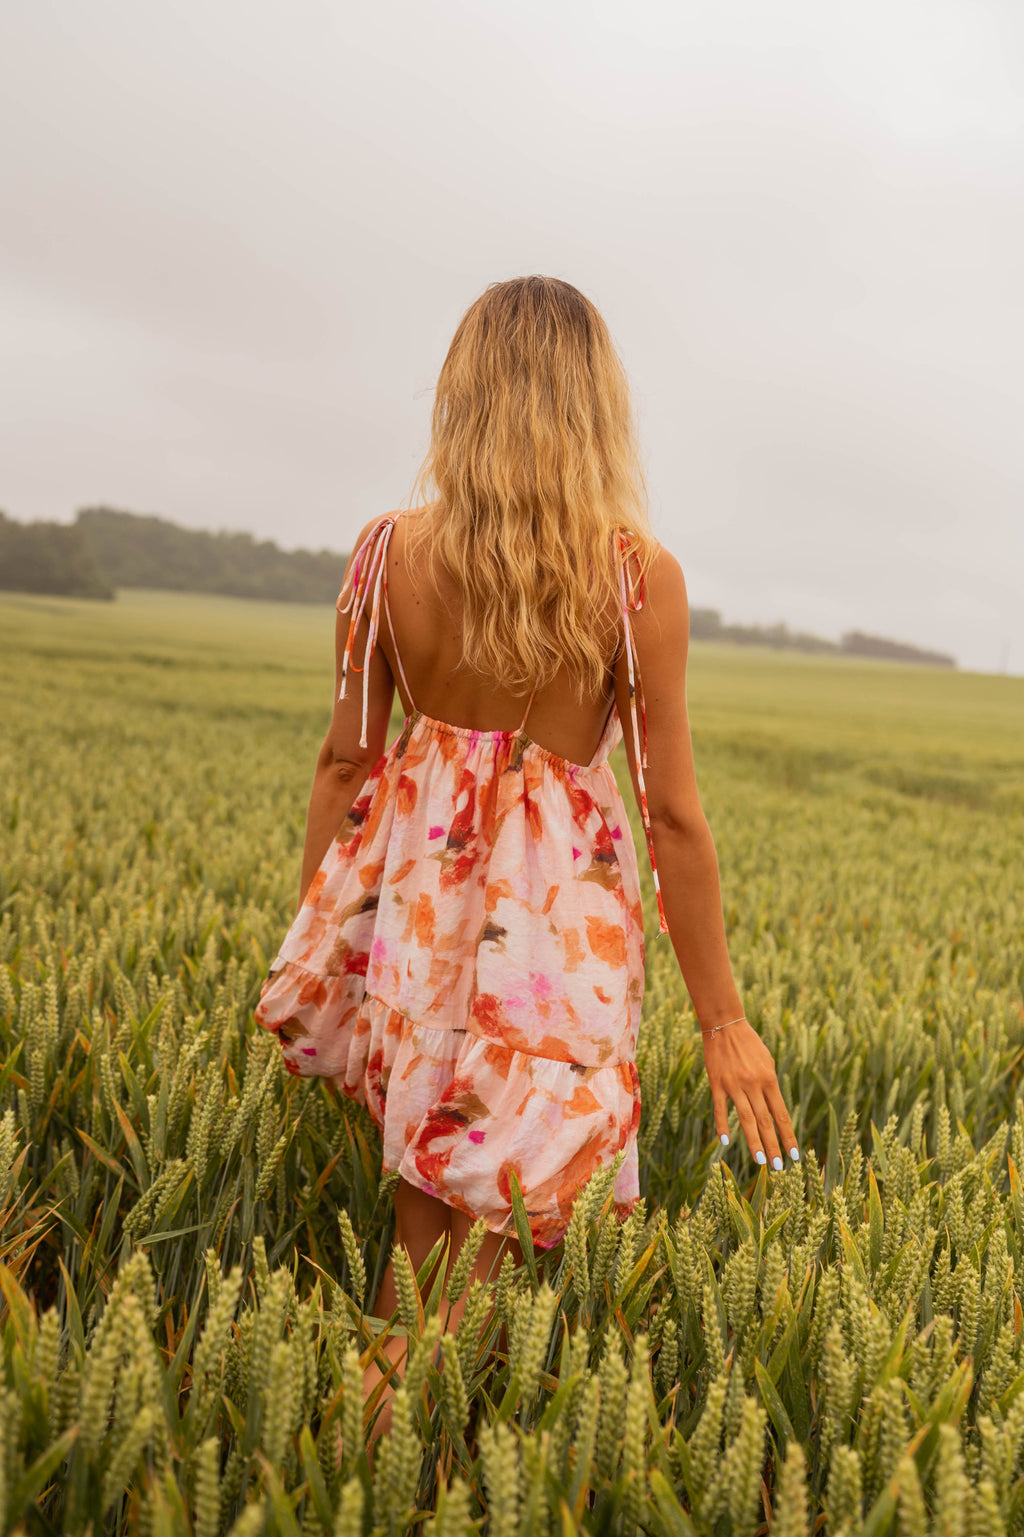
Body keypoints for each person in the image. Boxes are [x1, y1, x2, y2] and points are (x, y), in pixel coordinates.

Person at [254, 274, 797, 1454]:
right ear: (594, 406)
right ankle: (371, 1466)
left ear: (463, 395)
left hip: (410, 925)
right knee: (469, 1290)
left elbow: (346, 763)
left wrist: (318, 955)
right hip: (553, 949)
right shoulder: (634, 578)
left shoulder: (380, 556)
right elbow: (671, 818)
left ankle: (354, 1466)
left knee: (425, 1263)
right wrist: (720, 1019)